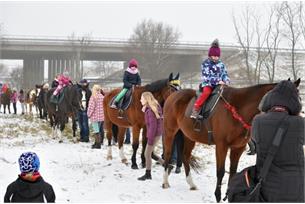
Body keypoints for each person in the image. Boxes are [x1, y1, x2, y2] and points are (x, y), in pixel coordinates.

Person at [251, 80, 304, 202]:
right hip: (295, 187)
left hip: (266, 187)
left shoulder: (258, 121)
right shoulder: (300, 123)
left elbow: (254, 140)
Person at [190, 39, 230, 119]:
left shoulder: (221, 64)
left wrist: (226, 81)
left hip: (220, 84)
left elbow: (225, 74)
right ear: (210, 55)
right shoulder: (205, 64)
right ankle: (196, 109)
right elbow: (206, 76)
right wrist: (218, 81)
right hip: (208, 84)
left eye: (217, 56)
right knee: (206, 93)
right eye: (214, 56)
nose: (216, 58)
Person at [138, 92, 164, 181]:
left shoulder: (150, 111)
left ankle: (148, 174)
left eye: (141, 98)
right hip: (157, 133)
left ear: (146, 99)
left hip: (154, 134)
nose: (140, 100)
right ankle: (166, 165)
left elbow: (153, 126)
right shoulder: (151, 108)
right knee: (150, 153)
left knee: (147, 154)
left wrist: (150, 139)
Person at [87, 84, 105, 149]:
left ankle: (98, 144)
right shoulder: (102, 97)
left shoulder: (93, 97)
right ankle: (97, 142)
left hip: (95, 117)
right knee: (100, 130)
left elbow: (91, 107)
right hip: (101, 117)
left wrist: (88, 114)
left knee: (96, 131)